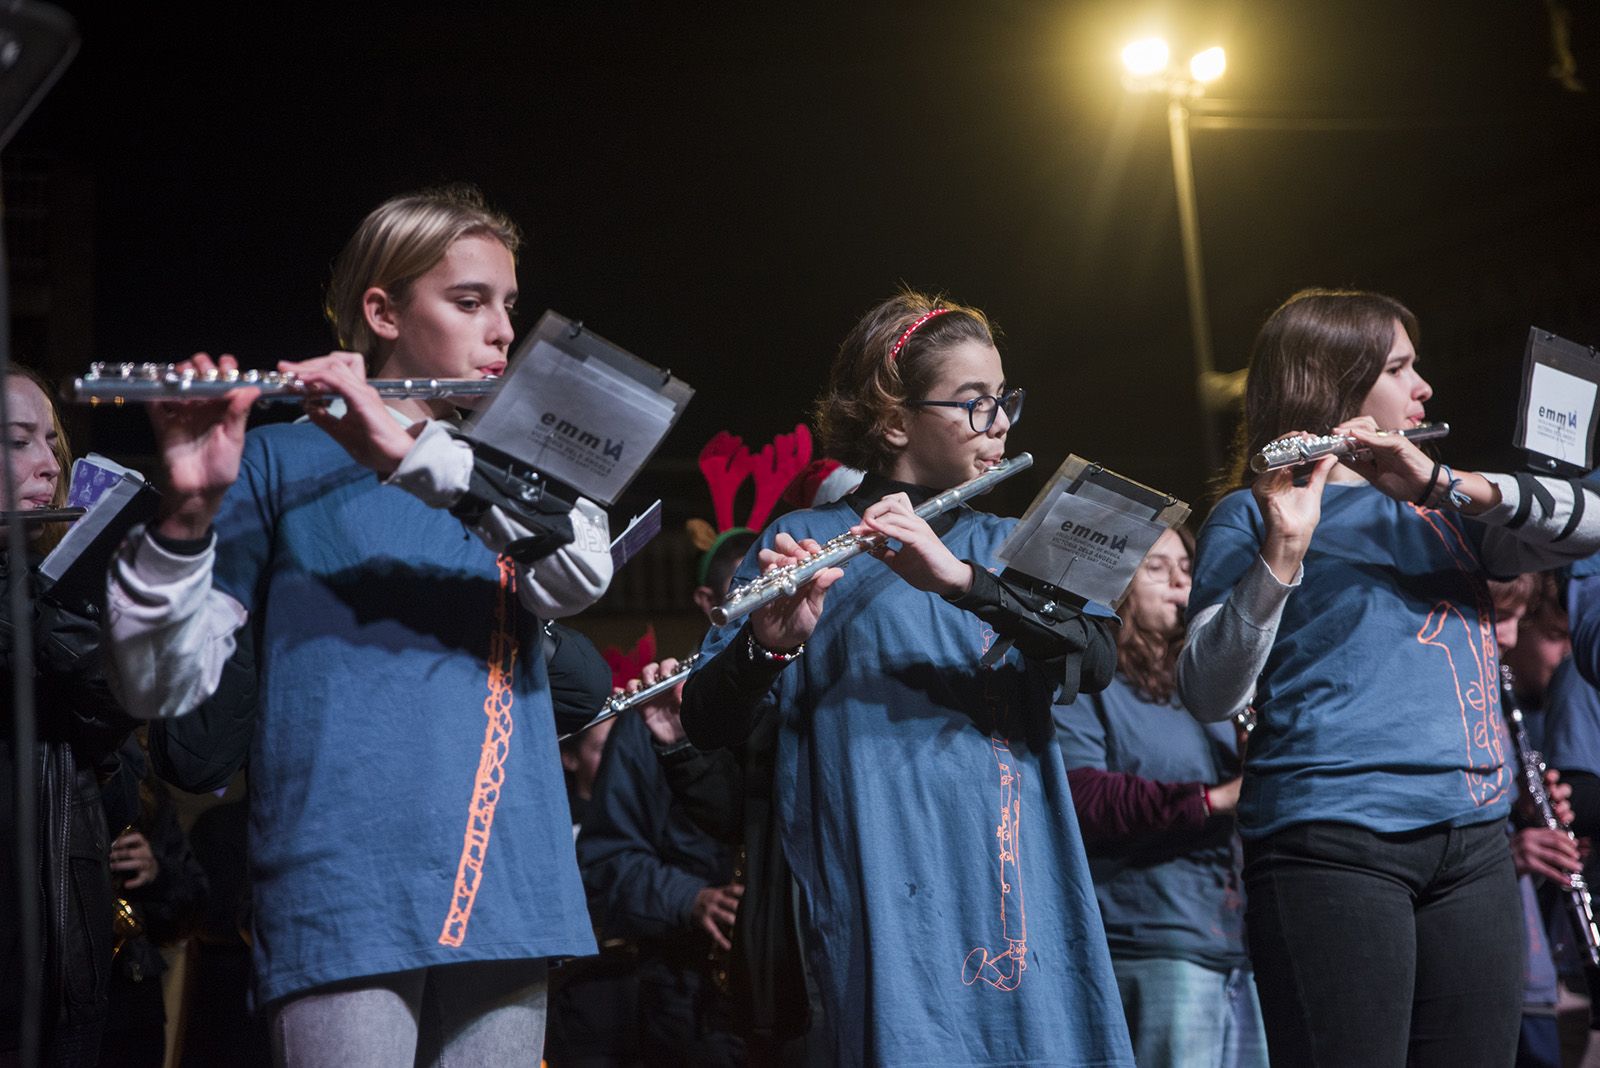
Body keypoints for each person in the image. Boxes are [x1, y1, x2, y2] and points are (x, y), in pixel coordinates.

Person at [104, 187, 614, 1066]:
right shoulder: (276, 458)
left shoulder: (519, 467)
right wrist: (185, 518)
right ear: (381, 312)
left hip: (510, 871)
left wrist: (410, 456)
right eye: (468, 301)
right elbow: (158, 686)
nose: (502, 332)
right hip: (343, 878)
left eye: (508, 306)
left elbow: (579, 575)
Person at [678, 291, 1134, 1066]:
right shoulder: (807, 538)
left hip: (1025, 876)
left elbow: (1096, 658)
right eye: (973, 403)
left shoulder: (1015, 542)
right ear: (894, 422)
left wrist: (961, 582)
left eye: (1004, 401)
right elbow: (704, 720)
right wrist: (771, 644)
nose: (1000, 426)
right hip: (889, 886)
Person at [1178, 287, 1600, 1066]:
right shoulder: (1248, 518)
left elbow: (1590, 522)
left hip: (1472, 845)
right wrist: (1282, 554)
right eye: (1401, 369)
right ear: (1335, 387)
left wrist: (1442, 485)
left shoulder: (1449, 508)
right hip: (1328, 845)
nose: (1424, 388)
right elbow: (1209, 692)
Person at [1056, 525, 1267, 1068]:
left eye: (1186, 567)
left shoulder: (1208, 687)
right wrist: (1216, 799)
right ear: (1116, 586)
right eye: (1157, 569)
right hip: (1153, 942)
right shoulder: (1089, 687)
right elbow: (1081, 796)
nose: (1181, 583)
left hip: (1239, 945)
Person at [1, 365, 136, 1066]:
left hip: (56, 971)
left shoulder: (67, 605)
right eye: (18, 440)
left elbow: (124, 781)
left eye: (52, 441)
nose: (51, 464)